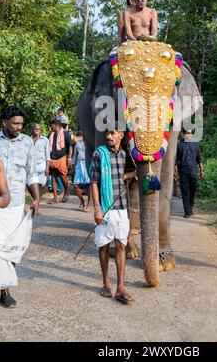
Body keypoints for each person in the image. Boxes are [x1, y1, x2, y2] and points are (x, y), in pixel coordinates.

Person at [90, 126, 136, 304]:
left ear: (121, 135)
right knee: (103, 245)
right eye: (107, 133)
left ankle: (121, 286)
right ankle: (106, 282)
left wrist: (135, 174)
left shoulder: (124, 154)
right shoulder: (99, 154)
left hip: (121, 207)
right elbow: (94, 181)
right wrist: (97, 208)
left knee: (121, 245)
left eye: (112, 133)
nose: (108, 136)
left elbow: (120, 176)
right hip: (105, 207)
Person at [0, 106, 40, 307]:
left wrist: (37, 197)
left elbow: (32, 173)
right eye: (15, 123)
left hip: (16, 204)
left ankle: (5, 290)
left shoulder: (27, 143)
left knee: (12, 248)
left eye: (21, 124)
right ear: (4, 122)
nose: (19, 127)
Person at [175, 128, 204, 218]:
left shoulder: (195, 145)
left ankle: (190, 207)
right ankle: (187, 212)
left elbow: (199, 159)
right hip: (183, 171)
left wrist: (202, 170)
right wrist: (175, 170)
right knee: (185, 191)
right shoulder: (179, 145)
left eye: (190, 133)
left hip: (193, 171)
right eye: (187, 133)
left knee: (193, 190)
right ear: (183, 134)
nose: (189, 135)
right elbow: (176, 159)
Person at [48, 119, 73, 203]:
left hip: (62, 157)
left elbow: (70, 146)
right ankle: (55, 197)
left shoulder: (65, 134)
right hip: (52, 158)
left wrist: (69, 158)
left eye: (51, 126)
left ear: (55, 125)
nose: (51, 127)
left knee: (63, 177)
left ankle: (66, 191)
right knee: (53, 177)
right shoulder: (51, 135)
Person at [72, 130, 91, 212]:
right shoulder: (78, 143)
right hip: (79, 164)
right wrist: (73, 166)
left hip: (89, 163)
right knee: (76, 185)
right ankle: (82, 202)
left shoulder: (91, 143)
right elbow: (75, 156)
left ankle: (89, 204)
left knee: (90, 184)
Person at [29, 123, 50, 196]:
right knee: (30, 184)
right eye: (35, 129)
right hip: (31, 166)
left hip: (41, 165)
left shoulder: (45, 140)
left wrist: (47, 168)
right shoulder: (28, 140)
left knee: (41, 183)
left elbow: (47, 156)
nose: (36, 131)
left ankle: (36, 199)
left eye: (38, 129)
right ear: (32, 130)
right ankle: (36, 198)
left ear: (40, 130)